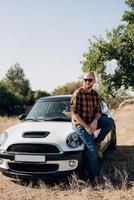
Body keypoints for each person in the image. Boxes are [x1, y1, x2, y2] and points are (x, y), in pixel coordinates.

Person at [71, 71, 115, 187]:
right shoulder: (78, 93)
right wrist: (86, 127)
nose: (87, 82)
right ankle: (97, 176)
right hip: (80, 125)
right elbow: (74, 114)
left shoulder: (96, 95)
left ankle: (98, 142)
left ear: (94, 81)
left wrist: (95, 121)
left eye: (90, 80)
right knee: (91, 147)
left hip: (91, 122)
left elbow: (98, 112)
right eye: (85, 79)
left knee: (110, 122)